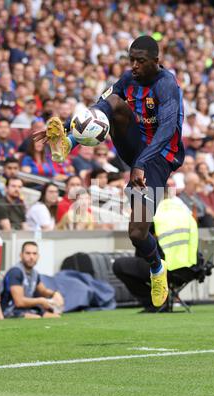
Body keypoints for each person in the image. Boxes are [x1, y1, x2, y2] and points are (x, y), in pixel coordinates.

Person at [35, 36, 185, 308]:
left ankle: (157, 268)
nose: (135, 66)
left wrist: (141, 164)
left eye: (141, 61)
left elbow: (166, 131)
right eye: (132, 60)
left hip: (159, 158)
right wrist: (67, 127)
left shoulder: (167, 86)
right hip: (136, 147)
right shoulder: (128, 80)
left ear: (156, 61)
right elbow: (100, 108)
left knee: (138, 234)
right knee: (115, 103)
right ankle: (68, 144)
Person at [0, 241, 64, 319]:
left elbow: (43, 291)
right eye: (28, 253)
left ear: (38, 256)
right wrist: (41, 301)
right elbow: (19, 302)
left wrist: (55, 294)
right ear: (21, 255)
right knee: (37, 318)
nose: (31, 257)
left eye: (34, 253)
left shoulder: (35, 273)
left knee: (55, 316)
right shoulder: (16, 272)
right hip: (9, 310)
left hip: (26, 309)